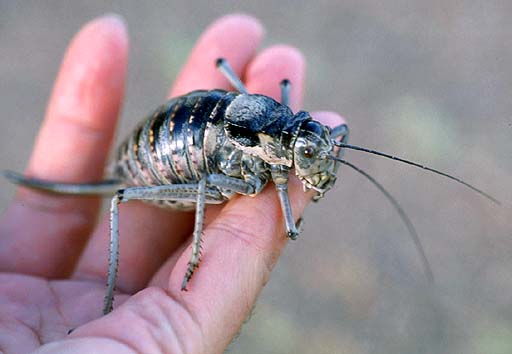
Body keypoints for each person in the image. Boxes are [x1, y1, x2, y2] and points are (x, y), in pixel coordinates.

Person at [0, 13, 344, 353]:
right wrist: (196, 257)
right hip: (164, 157)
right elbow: (209, 186)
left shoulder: (282, 139)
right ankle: (106, 301)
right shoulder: (270, 161)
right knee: (126, 196)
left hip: (202, 120)